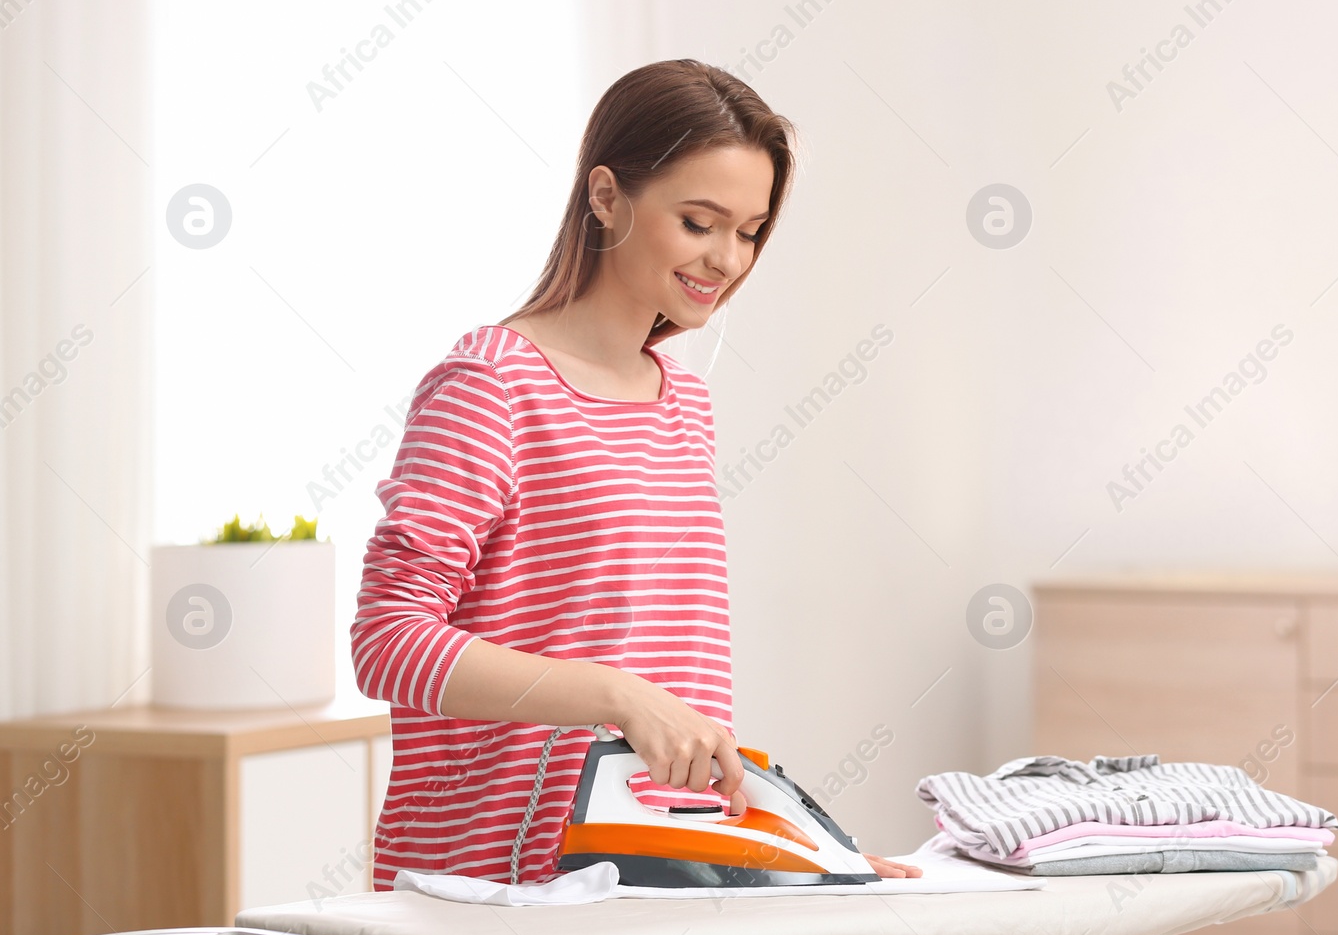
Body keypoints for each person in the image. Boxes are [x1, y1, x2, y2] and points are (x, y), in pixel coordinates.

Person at [351, 58, 921, 888]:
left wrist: (786, 859)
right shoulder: (491, 384)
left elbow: (678, 693)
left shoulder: (682, 400)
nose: (727, 259)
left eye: (751, 231)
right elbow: (387, 641)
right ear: (608, 196)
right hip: (497, 890)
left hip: (652, 881)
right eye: (699, 221)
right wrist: (619, 696)